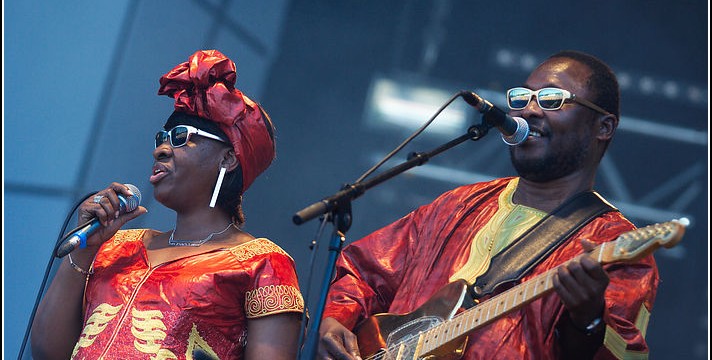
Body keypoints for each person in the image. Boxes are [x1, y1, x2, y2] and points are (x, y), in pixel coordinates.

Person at [317, 50, 659, 359]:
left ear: (604, 126)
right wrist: (334, 318)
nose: (529, 109)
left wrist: (589, 320)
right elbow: (363, 272)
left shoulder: (616, 247)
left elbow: (624, 355)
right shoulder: (456, 205)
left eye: (553, 99)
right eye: (522, 97)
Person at [31, 50, 304, 360]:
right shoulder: (117, 247)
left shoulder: (262, 264)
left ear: (228, 158)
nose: (160, 149)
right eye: (160, 137)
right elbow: (46, 351)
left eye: (179, 136)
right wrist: (85, 250)